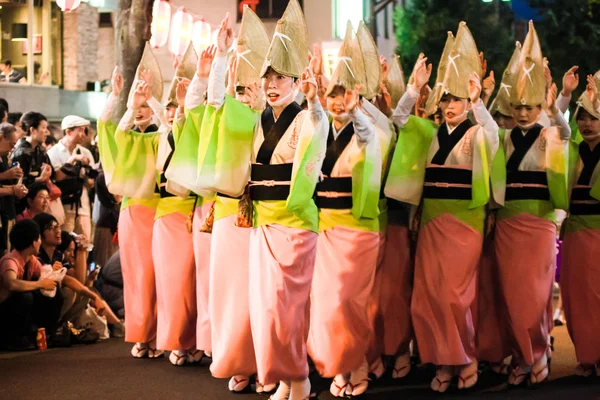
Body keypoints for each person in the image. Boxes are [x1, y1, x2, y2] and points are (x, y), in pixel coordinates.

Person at [202, 4, 328, 398]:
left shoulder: (307, 116)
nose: (272, 84)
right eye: (267, 77)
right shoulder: (256, 119)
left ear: (295, 80)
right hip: (262, 226)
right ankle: (288, 379)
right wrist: (222, 59)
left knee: (285, 308)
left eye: (280, 77)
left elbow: (320, 130)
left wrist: (316, 101)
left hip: (294, 225)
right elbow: (216, 110)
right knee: (265, 308)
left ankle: (300, 378)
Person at [385, 22, 499, 392]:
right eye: (445, 99)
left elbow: (495, 137)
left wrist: (479, 99)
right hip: (432, 223)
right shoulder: (430, 134)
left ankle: (464, 357)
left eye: (456, 100)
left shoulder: (477, 132)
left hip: (465, 225)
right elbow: (399, 122)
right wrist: (415, 88)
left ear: (467, 102)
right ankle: (443, 363)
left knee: (455, 297)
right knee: (428, 297)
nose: (450, 106)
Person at [491, 21, 571, 386]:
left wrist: (559, 106)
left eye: (531, 106)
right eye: (518, 106)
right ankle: (523, 357)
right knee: (510, 295)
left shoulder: (551, 133)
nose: (523, 113)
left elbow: (566, 134)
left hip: (539, 224)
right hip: (507, 224)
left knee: (535, 296)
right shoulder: (503, 138)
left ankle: (537, 353)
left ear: (541, 105)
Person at [306, 22, 382, 398]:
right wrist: (314, 91)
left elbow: (370, 138)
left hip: (358, 230)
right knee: (326, 303)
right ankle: (340, 364)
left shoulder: (370, 129)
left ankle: (358, 363)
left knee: (349, 301)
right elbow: (313, 118)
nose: (338, 102)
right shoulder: (321, 128)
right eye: (333, 96)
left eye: (344, 96)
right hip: (323, 226)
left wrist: (358, 114)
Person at [97, 62, 162, 360]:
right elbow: (108, 129)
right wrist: (118, 95)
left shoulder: (164, 135)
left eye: (146, 103)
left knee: (158, 277)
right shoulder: (127, 134)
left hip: (161, 214)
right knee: (135, 277)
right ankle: (141, 334)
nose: (140, 108)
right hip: (133, 215)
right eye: (138, 103)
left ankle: (160, 334)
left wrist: (155, 102)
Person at [560, 71, 600, 378]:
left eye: (594, 118)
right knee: (575, 297)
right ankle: (586, 357)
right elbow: (555, 126)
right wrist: (565, 93)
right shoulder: (570, 149)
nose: (586, 124)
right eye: (582, 117)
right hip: (574, 231)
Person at [0, 219, 59, 350]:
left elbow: (45, 276)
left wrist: (55, 273)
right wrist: (40, 284)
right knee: (26, 297)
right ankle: (10, 339)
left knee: (48, 292)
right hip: (3, 309)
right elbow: (11, 283)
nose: (40, 242)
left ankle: (44, 333)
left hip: (12, 309)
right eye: (38, 238)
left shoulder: (31, 260)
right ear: (33, 242)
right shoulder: (10, 260)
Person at [48, 115, 96, 239]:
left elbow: (91, 181)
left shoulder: (85, 152)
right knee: (64, 242)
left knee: (85, 243)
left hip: (83, 206)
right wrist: (72, 160)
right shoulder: (53, 152)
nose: (83, 134)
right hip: (63, 206)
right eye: (80, 130)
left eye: (84, 130)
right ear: (68, 131)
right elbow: (57, 178)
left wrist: (87, 176)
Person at [0, 123, 27, 253]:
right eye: (11, 145)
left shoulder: (5, 157)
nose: (12, 149)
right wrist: (5, 176)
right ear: (1, 137)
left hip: (8, 211)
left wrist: (17, 186)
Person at [11, 112, 53, 191]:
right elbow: (18, 184)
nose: (47, 132)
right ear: (33, 130)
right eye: (44, 128)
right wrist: (40, 179)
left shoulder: (41, 150)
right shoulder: (21, 152)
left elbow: (52, 174)